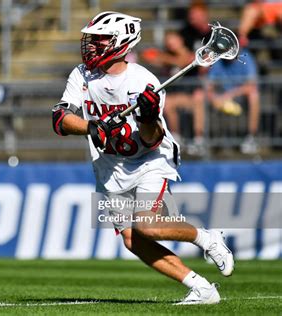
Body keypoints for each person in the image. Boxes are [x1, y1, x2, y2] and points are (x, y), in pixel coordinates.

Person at [52, 11, 234, 305]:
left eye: (100, 41)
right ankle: (202, 289)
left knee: (147, 225)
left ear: (121, 43)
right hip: (110, 166)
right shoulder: (81, 75)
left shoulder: (142, 81)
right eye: (92, 40)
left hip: (149, 159)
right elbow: (60, 118)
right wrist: (91, 126)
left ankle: (207, 238)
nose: (92, 46)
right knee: (132, 239)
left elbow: (152, 138)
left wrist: (148, 115)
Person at [141, 31, 206, 156]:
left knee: (199, 100)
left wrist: (167, 59)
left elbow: (183, 61)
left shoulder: (192, 54)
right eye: (168, 41)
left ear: (180, 40)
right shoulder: (166, 56)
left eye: (173, 40)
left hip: (191, 95)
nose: (170, 44)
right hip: (175, 95)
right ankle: (176, 137)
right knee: (168, 102)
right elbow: (148, 56)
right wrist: (164, 58)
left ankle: (199, 139)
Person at [206, 48, 261, 154]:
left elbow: (252, 85)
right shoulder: (218, 60)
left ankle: (251, 138)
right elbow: (209, 86)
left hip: (239, 97)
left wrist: (229, 95)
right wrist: (214, 97)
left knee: (254, 95)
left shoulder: (246, 57)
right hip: (222, 97)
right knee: (199, 96)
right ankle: (203, 140)